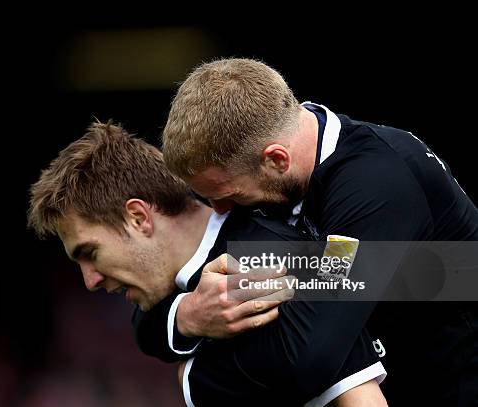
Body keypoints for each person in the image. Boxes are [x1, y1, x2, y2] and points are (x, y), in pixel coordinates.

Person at [159, 58, 478, 406]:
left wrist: (194, 376)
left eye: (230, 195)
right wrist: (189, 313)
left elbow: (313, 352)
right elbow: (152, 312)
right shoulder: (262, 160)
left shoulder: (376, 184)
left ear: (277, 160)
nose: (218, 212)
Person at [28, 121, 388, 406]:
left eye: (90, 253)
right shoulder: (182, 293)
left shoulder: (265, 260)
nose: (90, 281)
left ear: (138, 217)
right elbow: (149, 328)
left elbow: (359, 394)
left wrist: (194, 382)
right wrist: (185, 317)